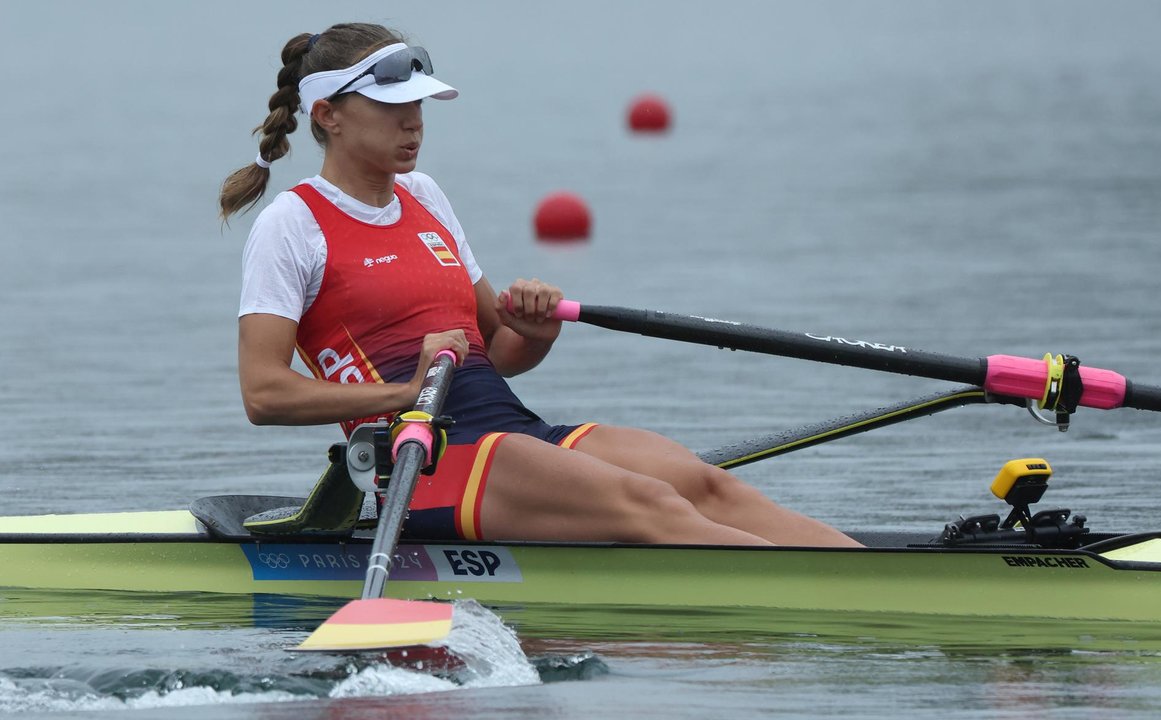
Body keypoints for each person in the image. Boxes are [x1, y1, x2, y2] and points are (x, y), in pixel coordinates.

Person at [219, 22, 860, 548]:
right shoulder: (293, 225)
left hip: (513, 432)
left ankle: (864, 573)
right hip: (428, 464)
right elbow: (263, 393)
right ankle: (832, 601)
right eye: (392, 106)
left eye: (418, 104)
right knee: (650, 502)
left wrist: (535, 334)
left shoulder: (424, 196)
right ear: (328, 114)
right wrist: (408, 390)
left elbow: (496, 350)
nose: (413, 122)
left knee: (705, 485)